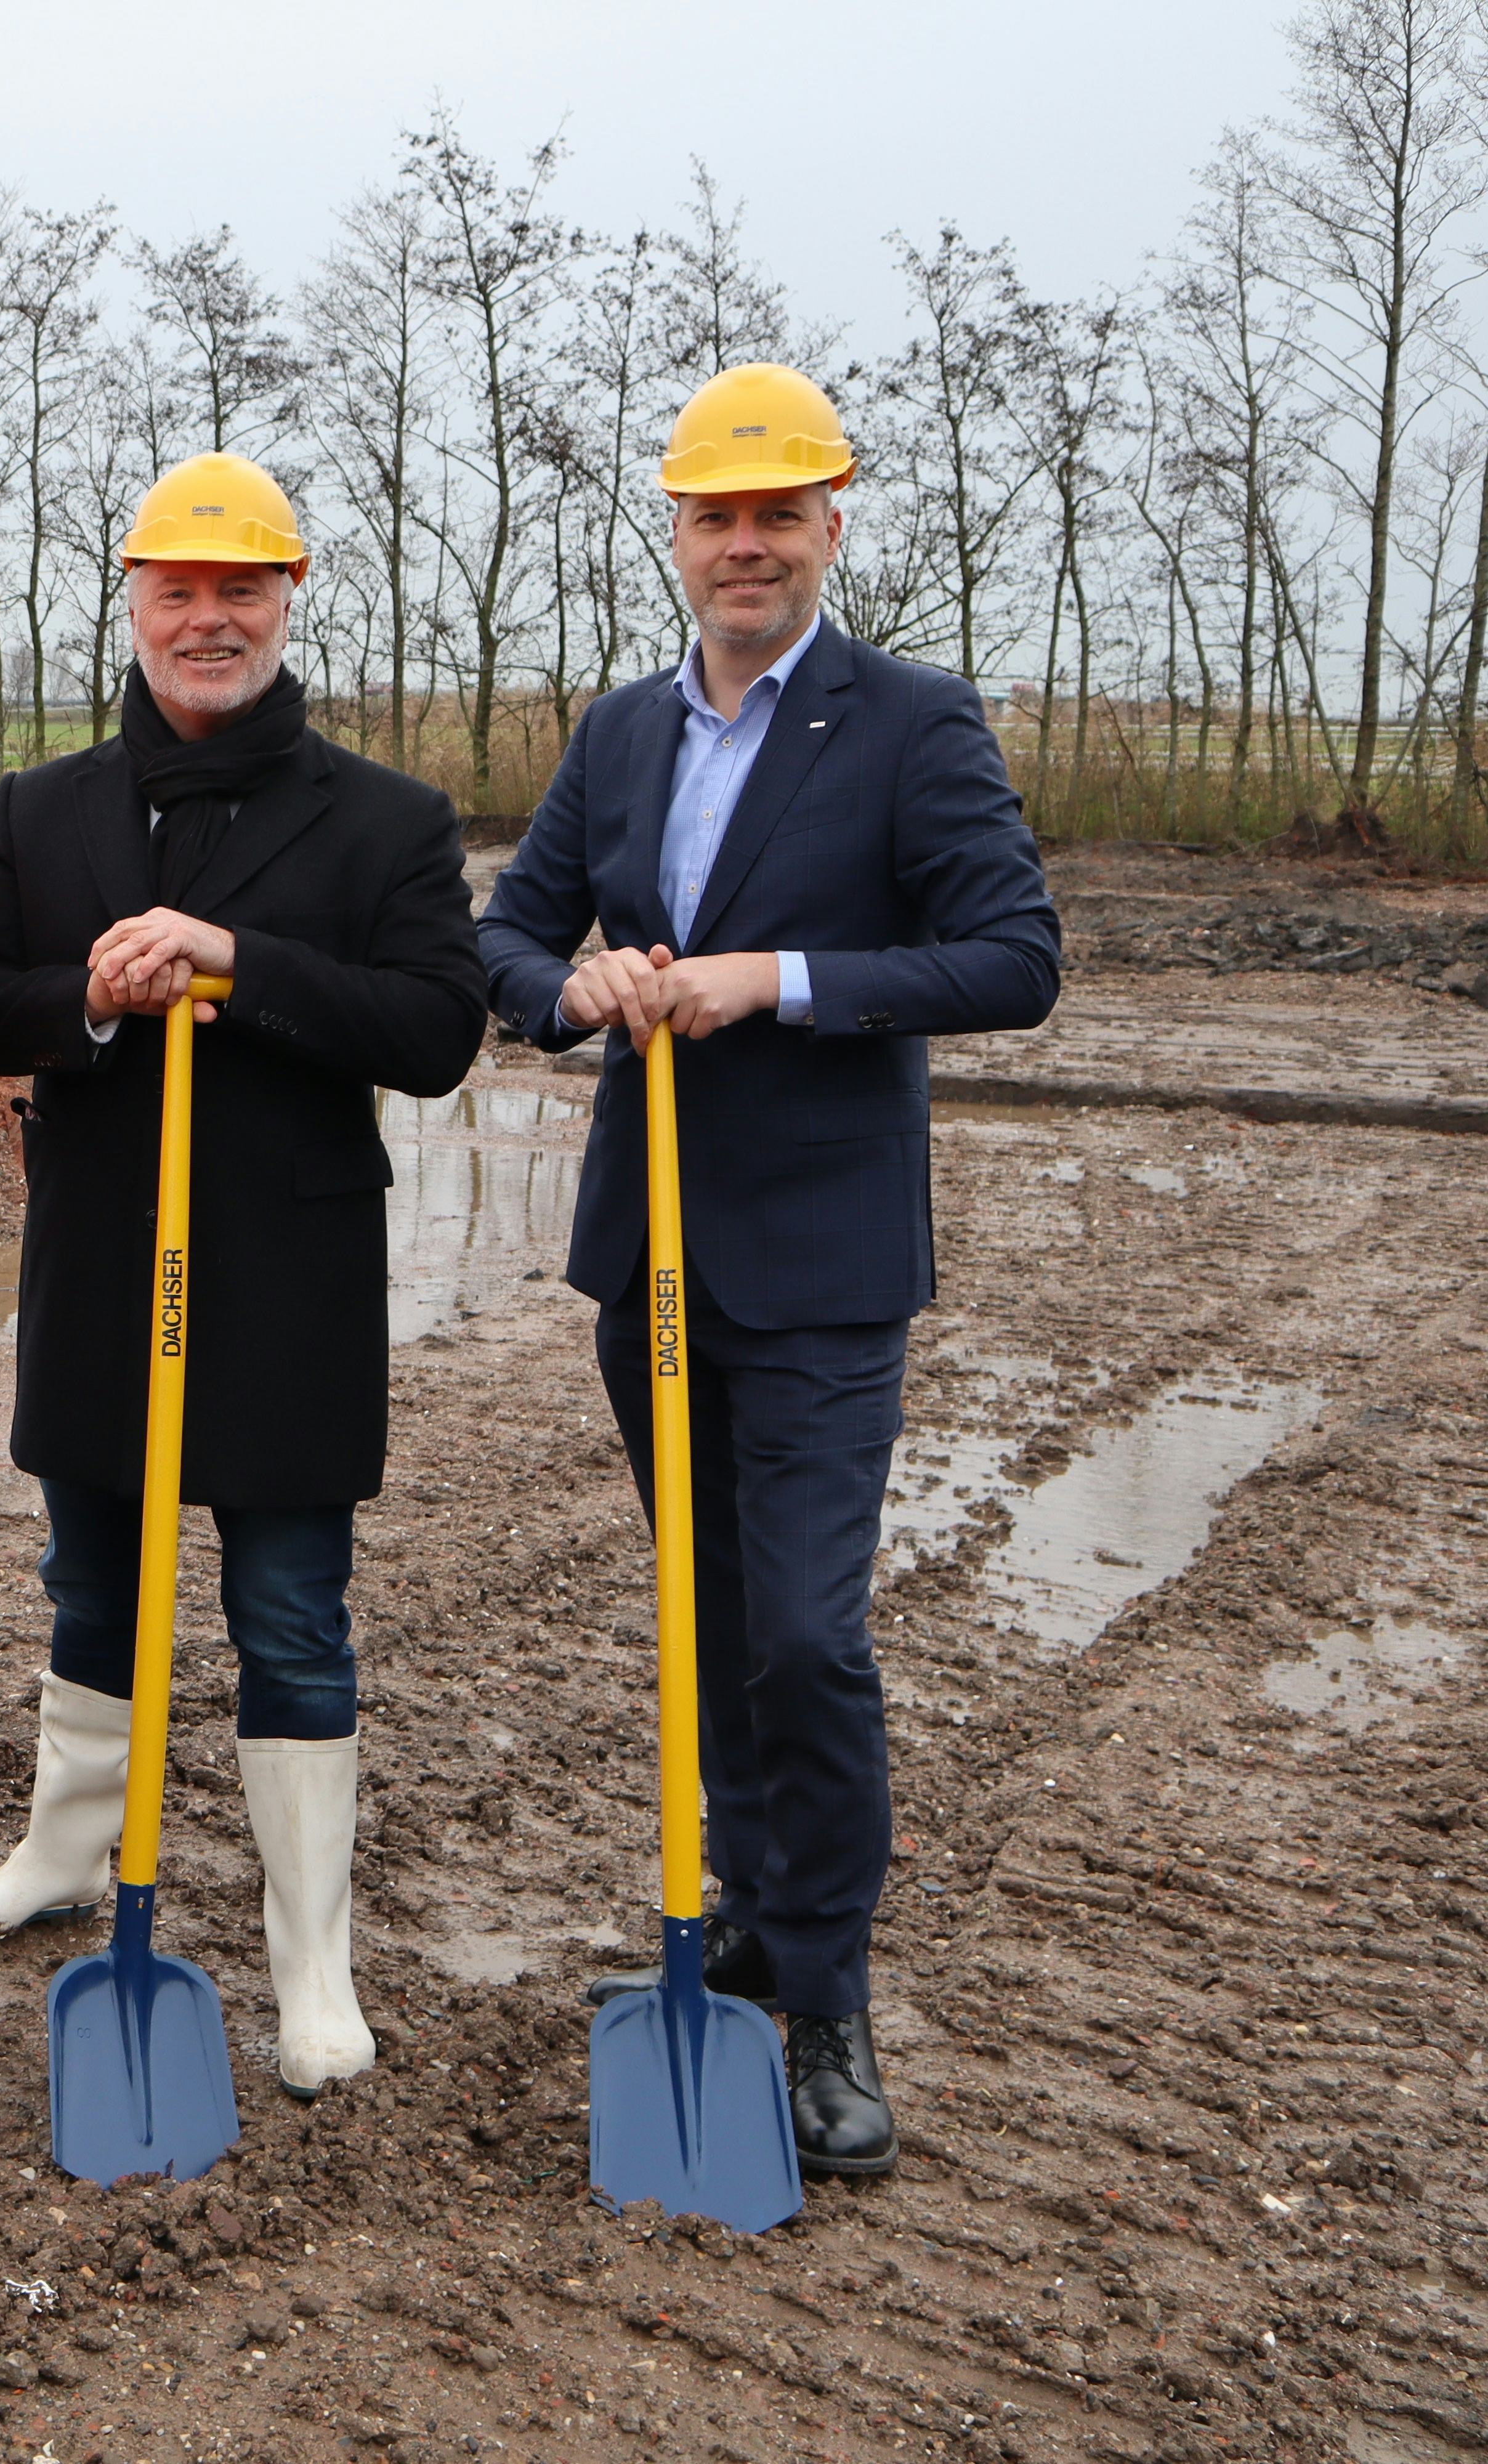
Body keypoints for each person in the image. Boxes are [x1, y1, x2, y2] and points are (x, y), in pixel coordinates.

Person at [479, 363, 1060, 2179]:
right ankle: (743, 1912)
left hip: (819, 1266)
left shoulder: (911, 724)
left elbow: (1012, 957)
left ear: (828, 528)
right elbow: (510, 922)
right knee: (711, 1619)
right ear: (676, 534)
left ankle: (827, 1998)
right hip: (650, 1258)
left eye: (777, 514)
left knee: (808, 1636)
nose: (745, 545)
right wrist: (564, 990)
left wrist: (776, 980)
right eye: (715, 516)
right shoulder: (624, 731)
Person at [0, 453, 485, 2099]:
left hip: (287, 1274)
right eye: (179, 589)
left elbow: (437, 1031)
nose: (209, 619)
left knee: (291, 1614)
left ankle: (313, 1965)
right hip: (104, 1259)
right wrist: (86, 1005)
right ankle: (56, 1858)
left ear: (287, 602)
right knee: (92, 1586)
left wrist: (237, 965)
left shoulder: (385, 820)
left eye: (242, 590)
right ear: (136, 601)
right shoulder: (49, 808)